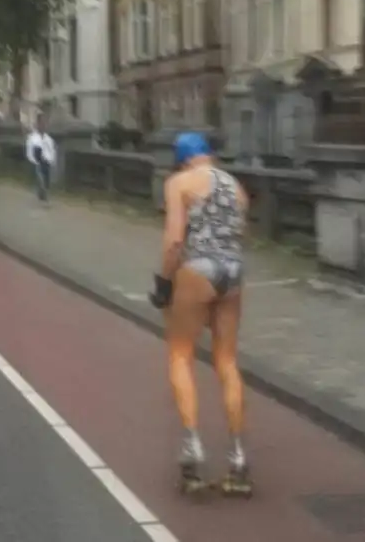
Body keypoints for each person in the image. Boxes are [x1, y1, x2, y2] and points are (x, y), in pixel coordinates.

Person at [149, 131, 251, 496]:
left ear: (182, 160)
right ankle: (238, 458)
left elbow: (176, 240)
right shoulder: (236, 187)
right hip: (233, 271)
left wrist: (164, 282)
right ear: (208, 155)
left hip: (198, 269)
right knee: (227, 361)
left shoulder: (179, 183)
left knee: (181, 354)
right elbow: (240, 234)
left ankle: (192, 450)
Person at [25, 114, 57, 204]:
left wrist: (51, 160)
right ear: (38, 124)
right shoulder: (32, 138)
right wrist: (34, 161)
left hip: (47, 162)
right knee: (40, 175)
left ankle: (43, 192)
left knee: (46, 178)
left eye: (45, 123)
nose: (43, 125)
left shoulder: (49, 139)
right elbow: (29, 151)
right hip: (37, 161)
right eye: (41, 123)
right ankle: (43, 192)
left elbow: (52, 151)